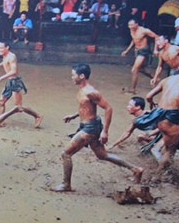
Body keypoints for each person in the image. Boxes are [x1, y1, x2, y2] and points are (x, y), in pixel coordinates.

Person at [52, 63, 144, 192]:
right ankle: (136, 169)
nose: (71, 77)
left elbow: (108, 108)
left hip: (90, 128)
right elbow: (86, 108)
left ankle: (66, 184)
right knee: (102, 155)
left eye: (73, 75)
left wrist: (105, 132)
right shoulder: (82, 90)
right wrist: (74, 116)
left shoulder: (91, 92)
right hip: (88, 125)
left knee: (66, 153)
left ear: (82, 76)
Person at [142, 58, 179, 179]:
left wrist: (152, 104)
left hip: (158, 114)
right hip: (171, 116)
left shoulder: (167, 79)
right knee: (171, 150)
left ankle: (161, 169)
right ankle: (157, 177)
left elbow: (148, 96)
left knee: (168, 143)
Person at [0, 41, 43, 128]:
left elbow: (14, 71)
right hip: (9, 82)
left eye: (1, 48)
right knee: (1, 102)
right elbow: (5, 62)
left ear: (7, 47)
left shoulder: (11, 56)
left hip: (15, 82)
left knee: (18, 106)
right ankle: (0, 121)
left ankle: (38, 116)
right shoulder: (5, 56)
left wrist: (0, 78)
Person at [121, 18, 158, 94]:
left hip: (143, 51)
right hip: (137, 50)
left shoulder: (144, 30)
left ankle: (133, 89)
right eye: (129, 25)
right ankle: (155, 78)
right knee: (141, 69)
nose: (130, 26)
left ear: (136, 24)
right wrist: (127, 50)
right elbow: (134, 40)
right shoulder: (131, 30)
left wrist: (155, 49)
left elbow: (156, 37)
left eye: (131, 25)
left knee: (134, 69)